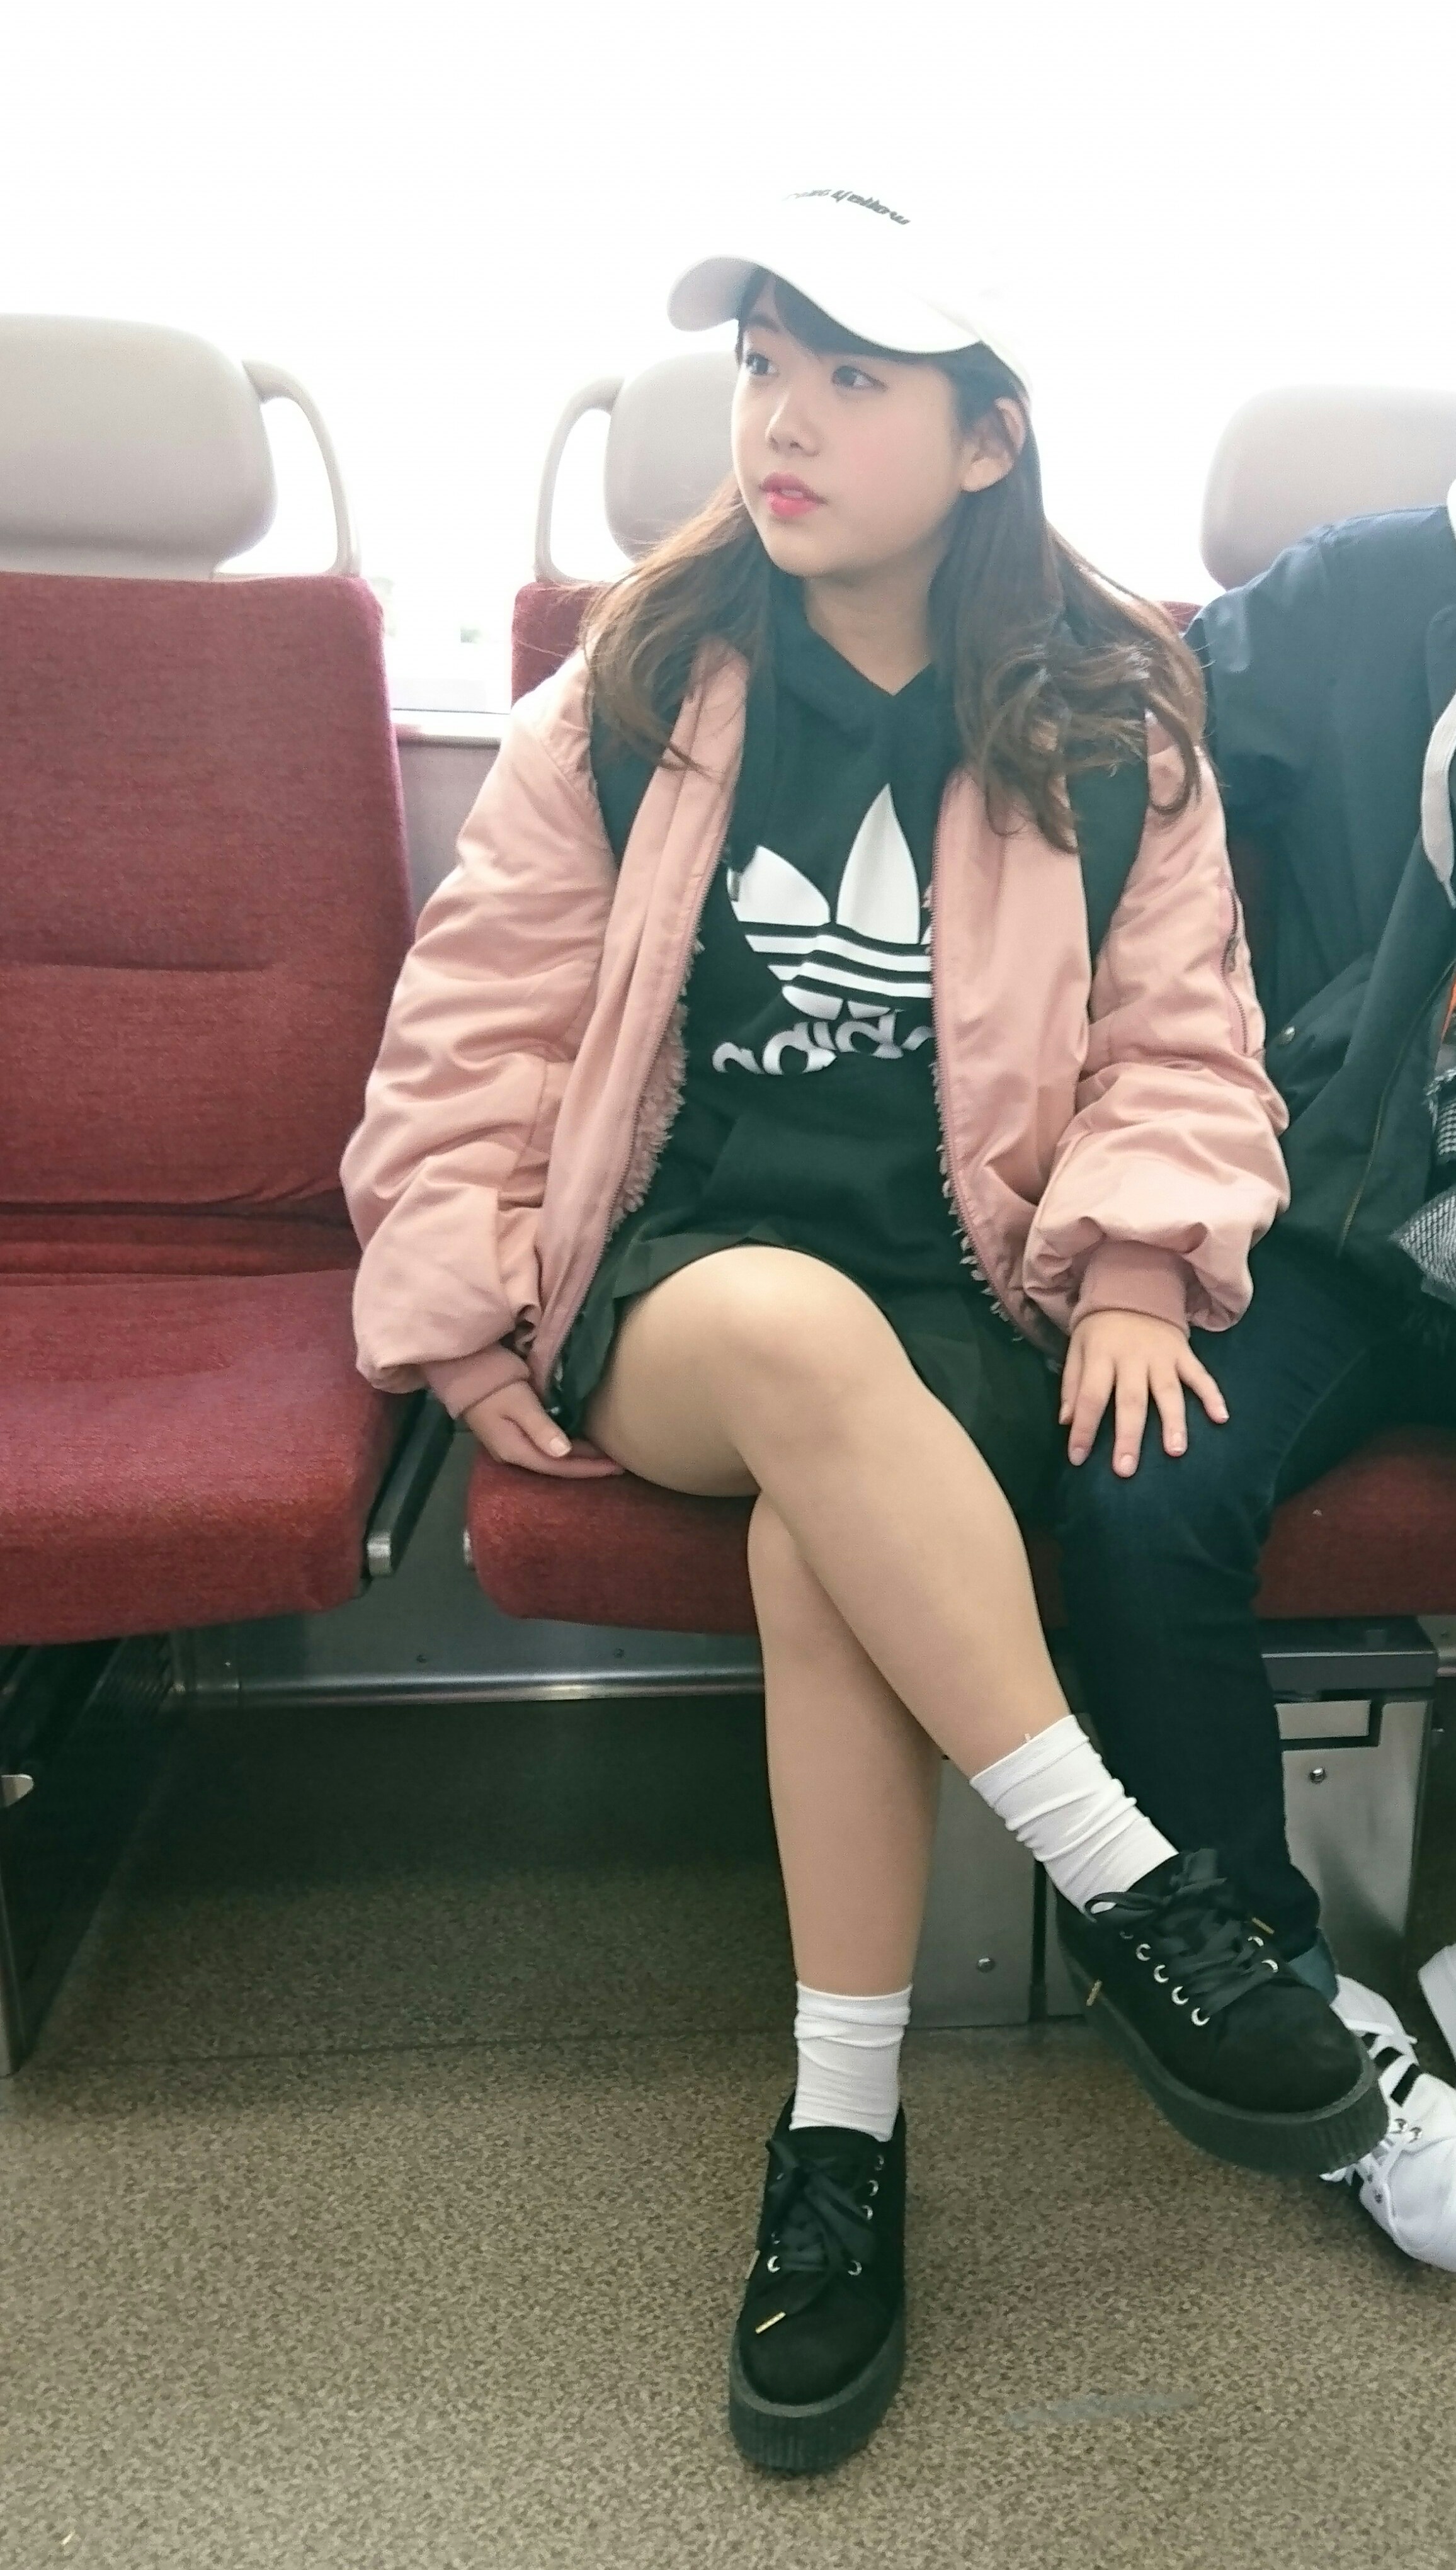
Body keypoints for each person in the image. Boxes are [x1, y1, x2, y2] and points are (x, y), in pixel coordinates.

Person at [341, 188, 1382, 2476]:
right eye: (760, 371)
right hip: (681, 1291)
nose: (781, 423)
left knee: (831, 1542)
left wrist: (1134, 1263)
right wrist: (466, 1298)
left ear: (988, 437)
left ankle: (842, 2143)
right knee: (805, 1342)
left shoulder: (1110, 721)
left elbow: (1183, 1042)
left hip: (965, 1298)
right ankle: (1144, 1896)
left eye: (850, 378)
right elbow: (474, 1032)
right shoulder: (634, 690)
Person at [1056, 489, 1456, 2272]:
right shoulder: (1373, 590)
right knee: (1142, 1483)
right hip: (1344, 1203)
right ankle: (1284, 1988)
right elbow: (1117, 712)